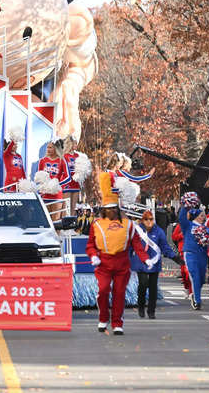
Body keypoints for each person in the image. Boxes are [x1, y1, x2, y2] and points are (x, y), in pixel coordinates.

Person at [86, 204, 152, 334]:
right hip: (103, 263)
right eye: (109, 208)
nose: (112, 211)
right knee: (103, 290)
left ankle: (117, 323)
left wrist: (145, 258)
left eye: (114, 208)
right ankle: (103, 318)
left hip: (122, 263)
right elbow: (90, 245)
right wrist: (93, 255)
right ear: (104, 210)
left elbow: (137, 244)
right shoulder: (97, 224)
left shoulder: (129, 225)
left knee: (119, 293)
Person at [131, 210, 182, 319]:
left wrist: (174, 257)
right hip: (141, 262)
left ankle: (151, 310)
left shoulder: (158, 231)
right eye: (146, 219)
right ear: (142, 220)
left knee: (153, 287)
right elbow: (132, 246)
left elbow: (165, 246)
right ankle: (141, 306)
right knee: (143, 284)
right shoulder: (137, 231)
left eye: (151, 219)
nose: (149, 222)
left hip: (154, 261)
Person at [177, 193, 209, 310]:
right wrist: (186, 205)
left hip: (202, 255)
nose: (203, 217)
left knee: (202, 278)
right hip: (190, 254)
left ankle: (194, 294)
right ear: (196, 216)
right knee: (194, 276)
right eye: (201, 215)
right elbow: (182, 217)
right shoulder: (188, 225)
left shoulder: (206, 228)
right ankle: (197, 301)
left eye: (204, 215)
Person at [38, 140, 71, 218]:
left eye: (50, 147)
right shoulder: (42, 161)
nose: (48, 149)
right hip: (45, 195)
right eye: (47, 147)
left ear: (56, 148)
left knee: (56, 222)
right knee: (46, 221)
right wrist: (42, 187)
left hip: (56, 195)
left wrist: (57, 184)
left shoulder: (61, 160)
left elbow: (68, 177)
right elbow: (39, 176)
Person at [62, 136, 81, 215]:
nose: (76, 144)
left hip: (76, 183)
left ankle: (72, 225)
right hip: (67, 183)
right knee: (66, 207)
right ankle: (64, 226)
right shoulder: (64, 156)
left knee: (73, 207)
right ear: (70, 144)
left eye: (76, 143)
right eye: (75, 143)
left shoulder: (78, 156)